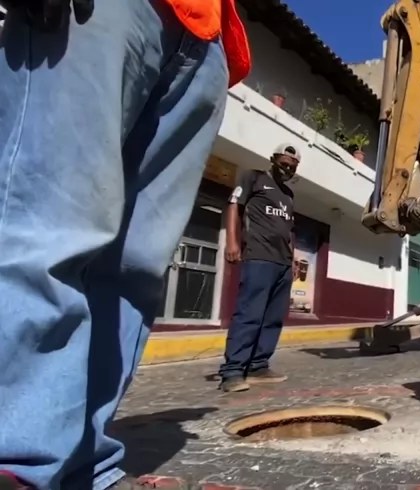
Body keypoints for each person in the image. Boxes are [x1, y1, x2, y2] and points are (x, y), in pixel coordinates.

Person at [0, 0, 250, 488]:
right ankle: (15, 461)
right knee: (48, 226)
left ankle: (81, 467)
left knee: (132, 271)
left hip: (207, 39)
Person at [218, 144, 300, 393]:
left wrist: (293, 258)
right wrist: (232, 241)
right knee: (249, 313)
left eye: (292, 167)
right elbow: (234, 205)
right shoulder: (253, 178)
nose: (287, 169)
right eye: (284, 163)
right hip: (258, 257)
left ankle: (258, 365)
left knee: (273, 318)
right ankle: (232, 371)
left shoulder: (288, 194)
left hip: (282, 263)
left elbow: (288, 229)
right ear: (273, 159)